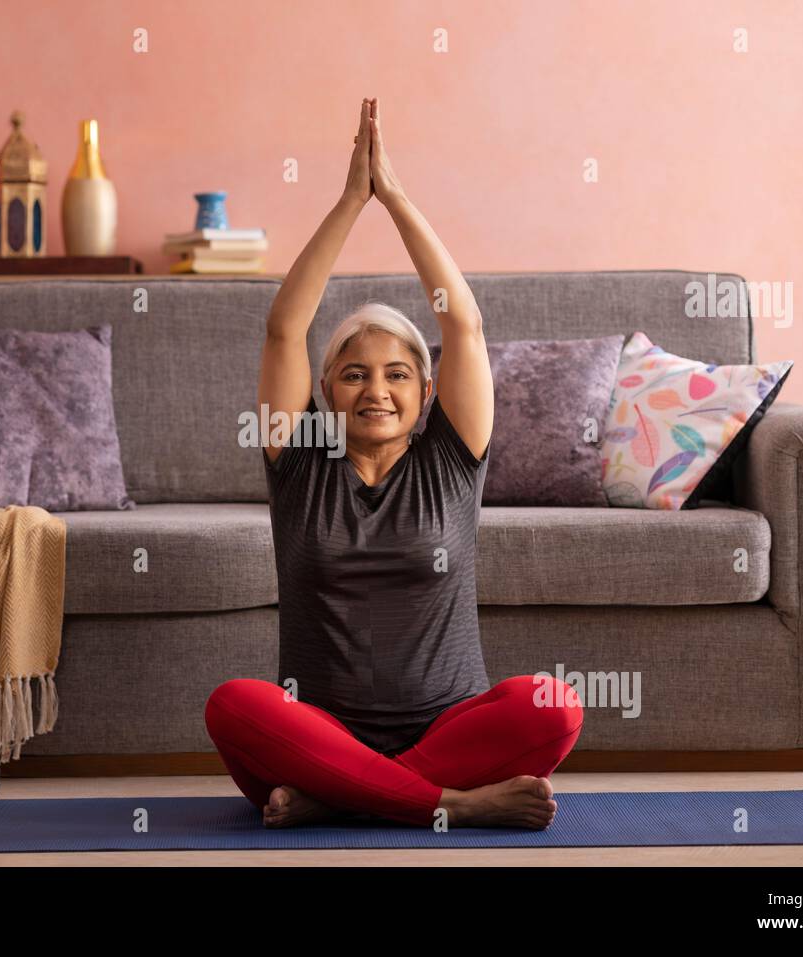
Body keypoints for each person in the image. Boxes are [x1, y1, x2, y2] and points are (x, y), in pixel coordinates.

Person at [205, 98, 584, 829]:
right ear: (325, 391)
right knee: (234, 704)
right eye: (353, 374)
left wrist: (398, 199)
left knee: (555, 702)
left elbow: (462, 323)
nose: (375, 390)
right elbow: (286, 326)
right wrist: (352, 201)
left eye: (397, 375)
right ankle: (449, 805)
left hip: (447, 734)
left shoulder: (450, 456)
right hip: (319, 738)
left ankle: (345, 797)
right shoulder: (301, 461)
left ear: (427, 392)